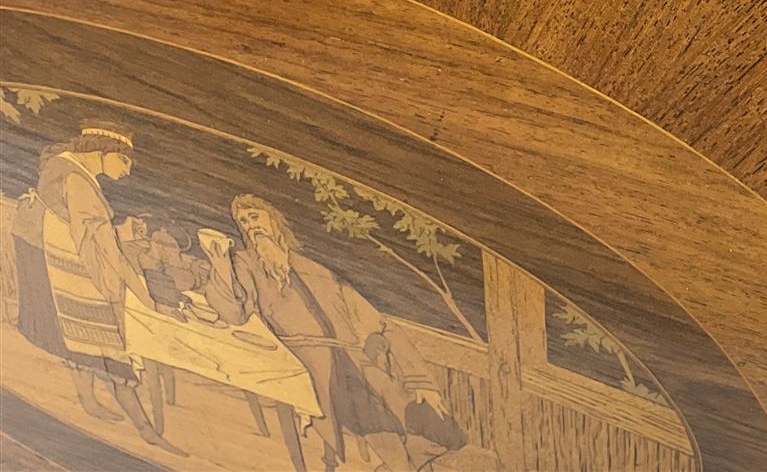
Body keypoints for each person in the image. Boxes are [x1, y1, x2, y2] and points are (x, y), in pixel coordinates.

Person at [201, 194, 463, 472]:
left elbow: (373, 320)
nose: (250, 226)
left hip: (351, 354)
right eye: (243, 221)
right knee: (372, 413)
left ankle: (402, 465)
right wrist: (219, 264)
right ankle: (400, 466)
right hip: (311, 361)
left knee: (426, 414)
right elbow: (233, 312)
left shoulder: (315, 269)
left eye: (255, 217)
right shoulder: (243, 264)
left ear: (274, 220)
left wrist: (420, 380)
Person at [21, 123, 183, 455]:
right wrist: (141, 293)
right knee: (108, 349)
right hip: (71, 270)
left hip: (54, 260)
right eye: (124, 162)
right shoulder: (79, 182)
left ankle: (89, 400)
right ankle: (148, 432)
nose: (127, 171)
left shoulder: (65, 166)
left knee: (81, 342)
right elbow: (104, 248)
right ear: (103, 153)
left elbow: (94, 233)